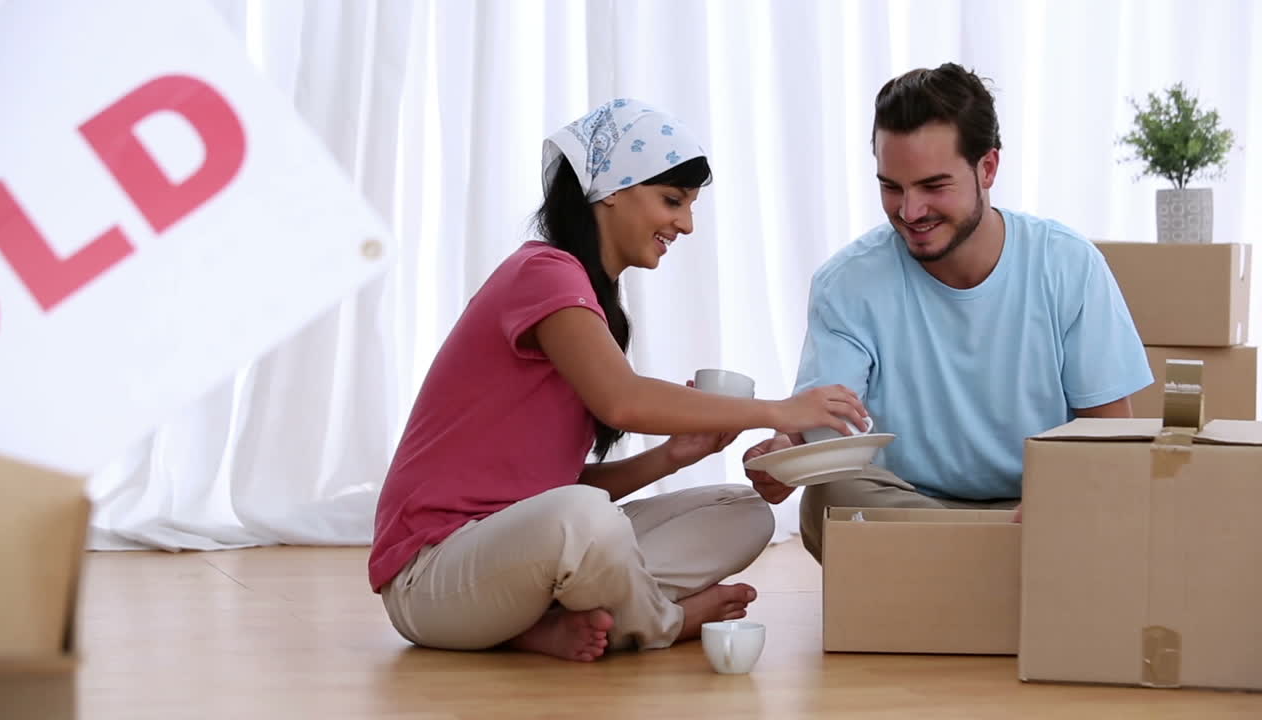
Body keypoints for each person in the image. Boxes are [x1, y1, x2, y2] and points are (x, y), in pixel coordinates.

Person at [370, 98, 867, 663]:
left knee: (743, 511)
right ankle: (662, 622)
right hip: (431, 577)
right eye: (673, 200)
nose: (686, 224)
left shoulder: (587, 299)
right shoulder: (543, 274)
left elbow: (545, 490)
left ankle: (537, 625)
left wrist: (670, 457)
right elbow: (622, 402)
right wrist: (780, 411)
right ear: (611, 190)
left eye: (690, 206)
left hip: (510, 559)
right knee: (584, 519)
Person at [743, 63, 1153, 562]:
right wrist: (786, 450)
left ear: (988, 168)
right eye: (892, 187)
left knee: (1107, 496)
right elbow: (825, 424)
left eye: (933, 186)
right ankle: (996, 566)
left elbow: (1109, 435)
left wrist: (1055, 501)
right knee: (830, 498)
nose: (910, 211)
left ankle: (949, 571)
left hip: (1035, 504)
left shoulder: (1067, 263)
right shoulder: (847, 282)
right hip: (907, 501)